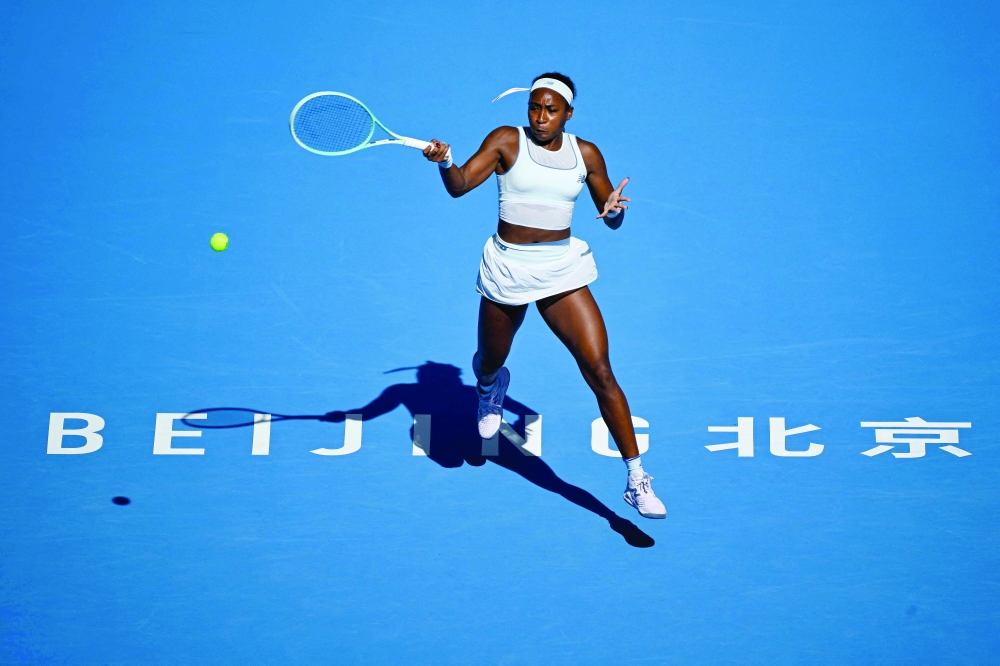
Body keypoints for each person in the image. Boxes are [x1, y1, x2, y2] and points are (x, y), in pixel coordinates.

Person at [422, 73, 666, 519]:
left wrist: (613, 214)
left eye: (551, 110)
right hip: (508, 268)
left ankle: (636, 478)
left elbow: (608, 213)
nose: (540, 117)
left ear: (568, 114)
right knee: (490, 361)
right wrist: (445, 161)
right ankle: (489, 387)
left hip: (561, 269)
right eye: (534, 108)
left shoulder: (585, 153)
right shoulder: (505, 141)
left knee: (600, 370)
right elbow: (459, 186)